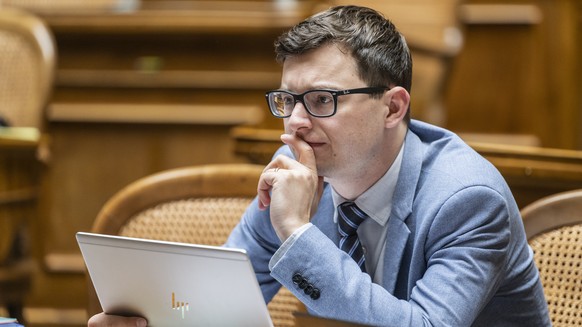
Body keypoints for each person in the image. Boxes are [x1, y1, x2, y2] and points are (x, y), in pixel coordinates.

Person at [88, 5, 551, 327]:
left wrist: (297, 231)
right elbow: (217, 304)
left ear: (393, 108)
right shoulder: (297, 170)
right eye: (288, 100)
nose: (295, 123)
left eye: (322, 100)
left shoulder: (468, 200)